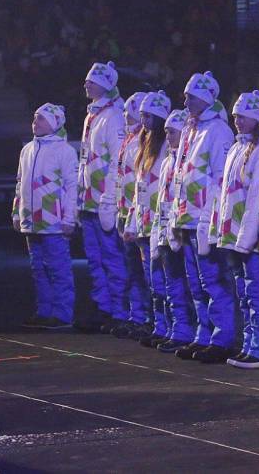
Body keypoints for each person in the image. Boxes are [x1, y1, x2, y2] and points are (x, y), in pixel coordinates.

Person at [170, 71, 236, 364]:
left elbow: (222, 180)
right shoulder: (189, 128)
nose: (184, 100)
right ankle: (204, 334)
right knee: (196, 282)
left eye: (190, 95)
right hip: (186, 216)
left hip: (203, 218)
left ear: (205, 98)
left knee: (213, 280)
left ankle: (223, 338)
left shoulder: (218, 131)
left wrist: (209, 216)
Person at [217, 91, 259, 369]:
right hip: (233, 233)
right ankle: (250, 342)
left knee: (255, 292)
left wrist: (247, 236)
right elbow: (226, 194)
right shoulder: (237, 148)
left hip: (248, 237)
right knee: (243, 292)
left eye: (243, 116)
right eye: (236, 115)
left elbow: (255, 197)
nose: (237, 120)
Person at [12, 103, 78, 329]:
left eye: (40, 118)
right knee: (38, 269)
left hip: (54, 221)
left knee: (58, 268)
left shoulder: (65, 151)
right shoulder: (27, 149)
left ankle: (62, 314)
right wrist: (16, 211)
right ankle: (44, 311)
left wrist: (69, 218)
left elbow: (72, 186)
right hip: (31, 220)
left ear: (53, 123)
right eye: (34, 117)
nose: (35, 122)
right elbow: (20, 183)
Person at [78, 61, 128, 331]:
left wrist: (109, 199)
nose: (86, 84)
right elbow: (87, 159)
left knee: (112, 257)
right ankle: (103, 308)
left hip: (104, 202)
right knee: (95, 258)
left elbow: (116, 163)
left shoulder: (114, 117)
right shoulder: (91, 116)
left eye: (92, 81)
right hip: (88, 201)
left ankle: (119, 311)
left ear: (106, 85)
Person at [124, 91, 172, 348]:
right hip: (143, 223)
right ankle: (158, 324)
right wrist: (132, 222)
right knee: (150, 278)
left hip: (158, 223)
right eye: (141, 115)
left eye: (148, 116)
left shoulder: (165, 147)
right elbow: (138, 189)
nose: (143, 121)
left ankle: (170, 326)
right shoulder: (143, 145)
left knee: (164, 278)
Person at [151, 109, 195, 354]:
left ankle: (188, 330)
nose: (167, 136)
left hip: (180, 228)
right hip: (167, 227)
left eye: (172, 132)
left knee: (186, 282)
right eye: (166, 131)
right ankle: (176, 329)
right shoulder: (168, 160)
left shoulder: (183, 161)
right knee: (170, 283)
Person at [114, 91, 151, 339]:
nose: (126, 117)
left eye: (131, 113)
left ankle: (147, 318)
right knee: (133, 270)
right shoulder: (129, 139)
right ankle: (136, 315)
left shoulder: (143, 142)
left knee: (143, 269)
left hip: (138, 214)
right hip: (126, 210)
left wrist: (135, 215)